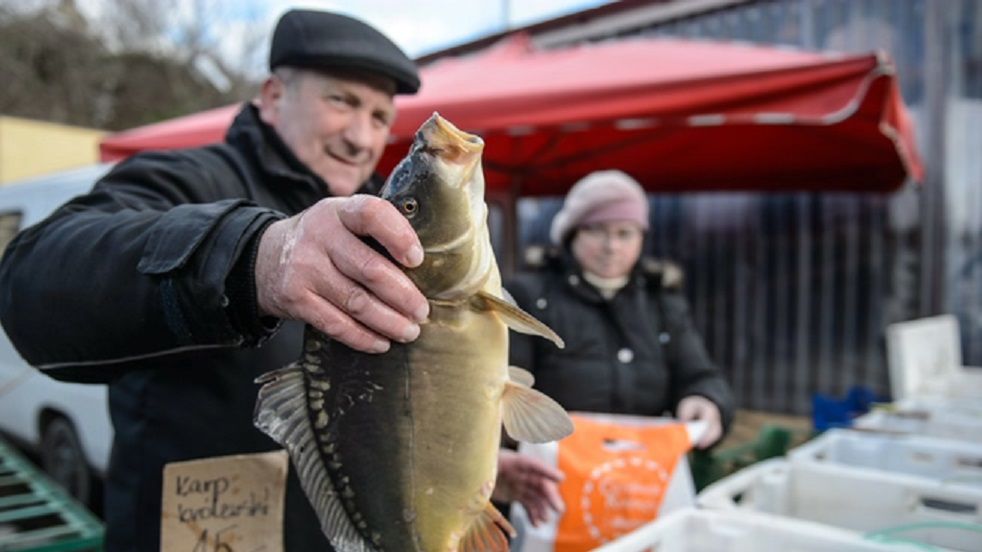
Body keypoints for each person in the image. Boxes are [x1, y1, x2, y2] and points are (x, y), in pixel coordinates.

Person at [0, 9, 556, 550]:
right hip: (201, 533)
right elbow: (30, 278)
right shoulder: (185, 176)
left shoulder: (391, 215)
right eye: (342, 101)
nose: (362, 137)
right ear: (272, 95)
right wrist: (255, 257)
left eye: (380, 117)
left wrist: (450, 462)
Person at [507, 170, 735, 450]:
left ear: (641, 238)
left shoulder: (661, 304)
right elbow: (505, 383)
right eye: (596, 230)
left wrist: (706, 399)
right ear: (571, 234)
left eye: (624, 233)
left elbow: (698, 374)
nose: (611, 246)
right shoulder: (528, 297)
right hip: (552, 469)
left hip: (640, 469)